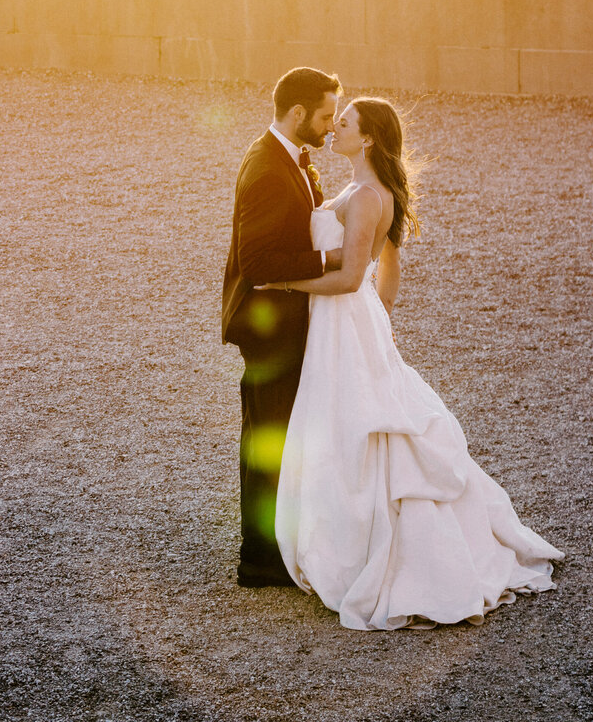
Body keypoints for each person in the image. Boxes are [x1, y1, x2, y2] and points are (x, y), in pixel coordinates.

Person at [264, 96, 562, 629]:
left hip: (342, 317)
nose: (334, 129)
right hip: (353, 322)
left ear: (368, 138)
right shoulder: (370, 190)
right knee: (349, 421)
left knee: (351, 425)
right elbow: (388, 268)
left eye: (345, 123)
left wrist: (283, 283)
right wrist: (379, 320)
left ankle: (363, 552)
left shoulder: (364, 197)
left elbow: (349, 279)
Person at [221, 67, 343, 587]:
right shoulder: (269, 169)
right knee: (269, 440)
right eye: (326, 116)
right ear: (298, 113)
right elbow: (257, 263)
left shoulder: (287, 156)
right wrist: (330, 258)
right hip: (268, 327)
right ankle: (260, 560)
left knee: (274, 435)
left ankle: (272, 547)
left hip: (280, 322)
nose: (332, 126)